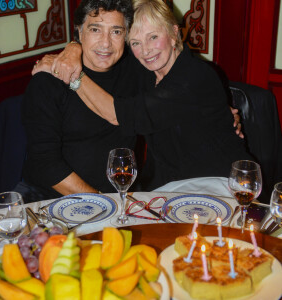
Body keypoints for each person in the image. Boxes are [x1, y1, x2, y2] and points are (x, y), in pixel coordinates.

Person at [34, 0, 253, 192]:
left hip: (221, 183)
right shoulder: (144, 71)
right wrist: (72, 48)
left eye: (153, 37)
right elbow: (44, 162)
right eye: (136, 42)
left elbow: (120, 114)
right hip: (168, 189)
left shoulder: (193, 76)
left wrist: (72, 75)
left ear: (174, 33)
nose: (146, 50)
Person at [16, 0, 149, 202]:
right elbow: (45, 164)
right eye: (95, 29)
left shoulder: (137, 69)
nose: (106, 43)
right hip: (51, 198)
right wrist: (101, 201)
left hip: (120, 192)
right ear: (79, 32)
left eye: (116, 32)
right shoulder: (47, 82)